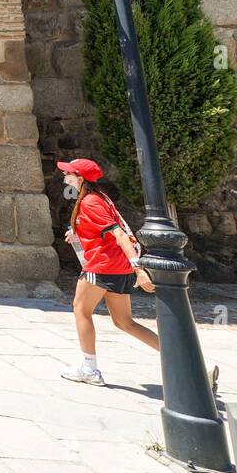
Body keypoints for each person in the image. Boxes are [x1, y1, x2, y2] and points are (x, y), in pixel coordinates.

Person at [58, 158, 160, 386]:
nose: (65, 176)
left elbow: (120, 235)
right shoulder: (100, 197)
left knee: (80, 310)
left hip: (102, 266)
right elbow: (100, 228)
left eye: (68, 173)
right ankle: (180, 359)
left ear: (80, 178)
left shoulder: (90, 202)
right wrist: (78, 232)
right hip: (118, 266)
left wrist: (140, 270)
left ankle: (89, 369)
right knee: (124, 322)